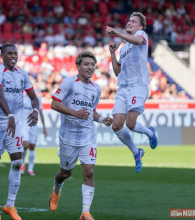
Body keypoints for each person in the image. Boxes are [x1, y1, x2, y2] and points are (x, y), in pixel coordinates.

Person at [48, 51, 113, 220]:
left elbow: (92, 112)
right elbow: (54, 103)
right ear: (77, 66)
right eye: (86, 64)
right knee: (65, 173)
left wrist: (102, 119)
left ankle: (85, 212)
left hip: (88, 136)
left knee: (89, 172)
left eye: (93, 64)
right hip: (68, 137)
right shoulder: (69, 83)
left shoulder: (96, 88)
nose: (90, 67)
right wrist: (74, 113)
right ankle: (56, 191)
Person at [0, 44, 39, 220]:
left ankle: (10, 205)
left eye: (15, 53)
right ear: (2, 55)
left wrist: (36, 111)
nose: (13, 56)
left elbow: (34, 98)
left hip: (13, 124)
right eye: (10, 53)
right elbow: (0, 97)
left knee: (17, 162)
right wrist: (9, 115)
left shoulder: (23, 75)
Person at [105, 12, 158, 173]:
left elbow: (137, 40)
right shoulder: (124, 47)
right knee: (116, 125)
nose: (130, 22)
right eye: (129, 20)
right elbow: (117, 71)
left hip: (138, 85)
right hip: (123, 88)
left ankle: (150, 133)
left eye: (133, 21)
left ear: (140, 26)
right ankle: (137, 152)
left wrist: (115, 32)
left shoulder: (141, 35)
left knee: (131, 124)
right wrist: (113, 53)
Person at [21, 91, 47, 176]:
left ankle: (30, 169)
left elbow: (41, 113)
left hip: (33, 126)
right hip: (23, 125)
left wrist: (44, 127)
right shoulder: (22, 98)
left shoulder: (37, 99)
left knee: (32, 146)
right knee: (25, 145)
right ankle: (22, 163)